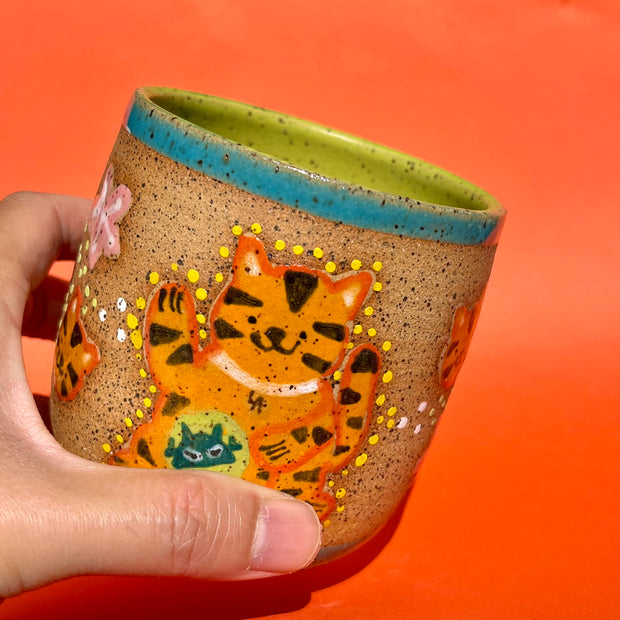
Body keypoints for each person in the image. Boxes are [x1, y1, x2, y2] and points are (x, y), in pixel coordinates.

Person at [0, 192, 321, 601]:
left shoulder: (307, 398)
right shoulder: (216, 364)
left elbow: (325, 432)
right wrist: (169, 333)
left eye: (309, 335)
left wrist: (300, 439)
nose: (278, 338)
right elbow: (177, 374)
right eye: (256, 315)